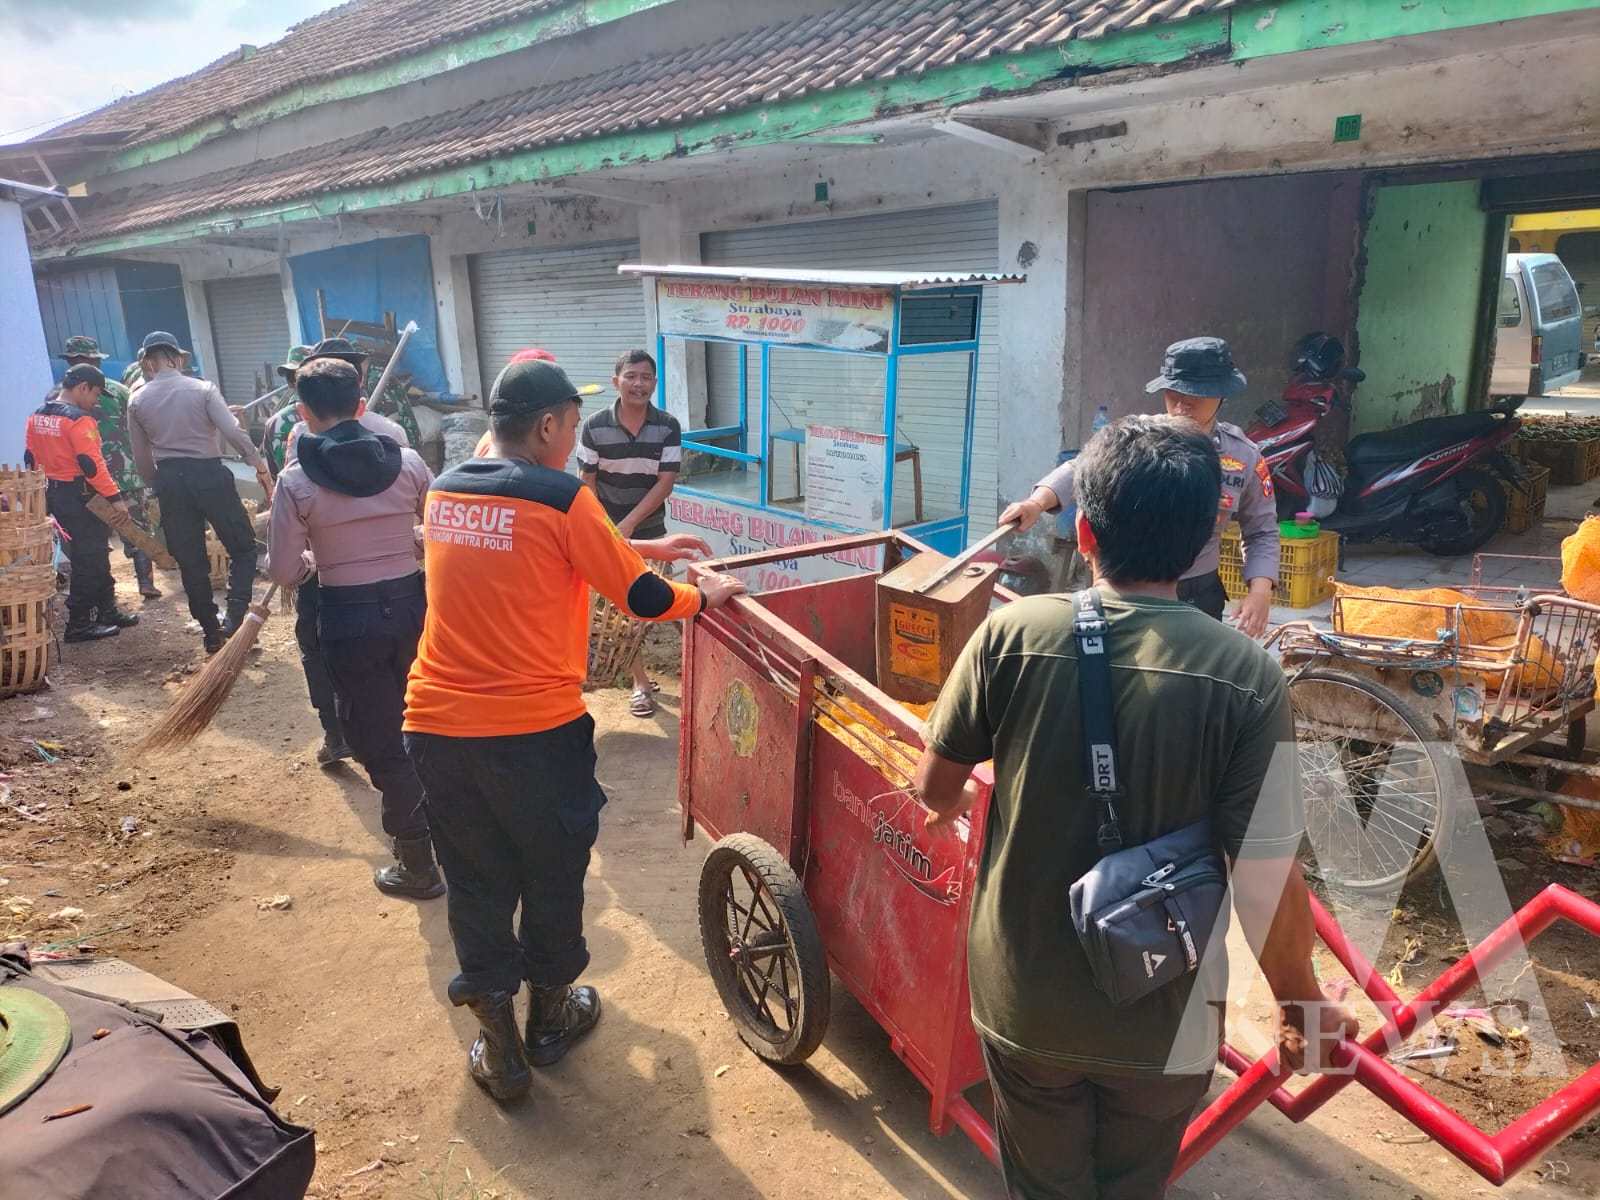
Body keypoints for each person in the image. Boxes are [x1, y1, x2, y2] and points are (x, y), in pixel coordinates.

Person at [916, 414, 1357, 1200]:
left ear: (1083, 531)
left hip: (1026, 1003)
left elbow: (935, 789)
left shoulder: (1009, 635)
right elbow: (1265, 874)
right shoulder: (1247, 676)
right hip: (1168, 1020)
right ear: (1198, 550)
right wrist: (1304, 1007)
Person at [403, 357, 744, 1102]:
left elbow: (522, 556)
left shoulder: (445, 490)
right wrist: (704, 595)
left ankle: (499, 1044)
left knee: (475, 877)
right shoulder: (562, 498)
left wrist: (643, 546)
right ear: (552, 425)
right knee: (552, 869)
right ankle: (550, 1019)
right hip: (533, 732)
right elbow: (646, 599)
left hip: (436, 726)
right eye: (568, 424)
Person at [266, 357, 444, 898]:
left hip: (346, 615)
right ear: (361, 404)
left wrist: (314, 565)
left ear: (303, 412)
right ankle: (455, 839)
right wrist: (407, 543)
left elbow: (282, 570)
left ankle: (417, 863)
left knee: (376, 735)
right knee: (430, 719)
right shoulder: (409, 462)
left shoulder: (296, 480)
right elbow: (439, 528)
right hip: (415, 608)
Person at [1000, 337, 1279, 637]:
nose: (1183, 404)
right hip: (1126, 586)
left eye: (1196, 395)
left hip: (1198, 593)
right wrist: (1035, 504)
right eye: (1174, 392)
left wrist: (1260, 592)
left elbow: (1261, 530)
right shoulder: (1139, 438)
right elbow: (1082, 467)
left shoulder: (1243, 456)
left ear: (1222, 395)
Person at [128, 331, 273, 653]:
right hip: (208, 474)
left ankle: (210, 632)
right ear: (177, 359)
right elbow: (233, 432)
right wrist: (259, 466)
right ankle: (235, 617)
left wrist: (160, 485)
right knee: (244, 548)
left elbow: (141, 458)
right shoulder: (202, 389)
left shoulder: (137, 400)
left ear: (149, 362)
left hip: (169, 480)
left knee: (191, 560)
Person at [575, 349, 682, 716]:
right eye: (631, 376)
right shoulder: (593, 426)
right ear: (615, 380)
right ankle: (639, 683)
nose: (639, 384)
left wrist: (630, 524)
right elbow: (586, 482)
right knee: (618, 613)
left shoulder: (667, 426)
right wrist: (604, 528)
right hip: (604, 529)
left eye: (646, 378)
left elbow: (665, 482)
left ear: (654, 383)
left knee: (658, 600)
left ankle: (692, 671)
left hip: (651, 531)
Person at [25, 364, 137, 642]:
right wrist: (116, 498)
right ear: (82, 387)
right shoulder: (79, 421)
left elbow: (30, 460)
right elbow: (93, 466)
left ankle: (107, 611)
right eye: (95, 394)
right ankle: (78, 624)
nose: (95, 401)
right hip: (80, 496)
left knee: (93, 554)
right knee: (89, 558)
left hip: (53, 494)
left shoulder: (37, 416)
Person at [59, 335, 162, 600]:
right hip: (124, 474)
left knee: (94, 536)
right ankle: (145, 583)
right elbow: (143, 425)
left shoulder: (56, 398)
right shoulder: (118, 391)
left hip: (84, 481)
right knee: (137, 529)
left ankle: (106, 593)